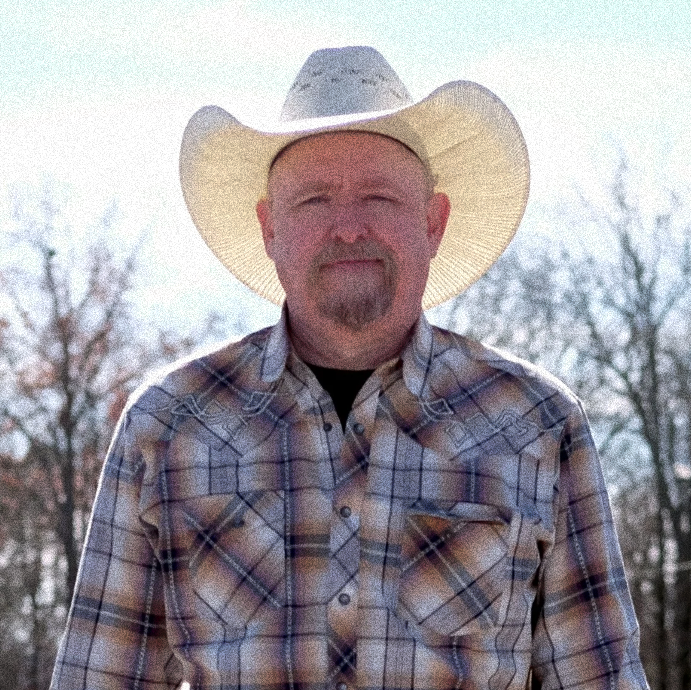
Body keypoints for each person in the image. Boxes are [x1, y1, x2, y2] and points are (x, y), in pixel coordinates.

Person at [50, 46, 649, 689]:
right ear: (270, 229)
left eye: (379, 197)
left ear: (433, 222)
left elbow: (601, 678)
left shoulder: (537, 424)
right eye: (314, 200)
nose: (348, 228)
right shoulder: (166, 426)